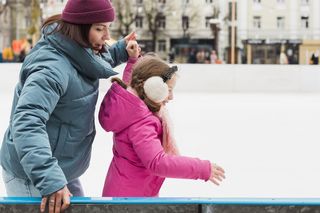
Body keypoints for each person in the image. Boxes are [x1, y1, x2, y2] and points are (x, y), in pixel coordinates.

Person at [0, 0, 136, 212]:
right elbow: (27, 122)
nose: (107, 36)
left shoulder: (81, 48)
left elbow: (92, 61)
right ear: (79, 28)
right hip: (32, 173)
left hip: (61, 166)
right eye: (100, 28)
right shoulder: (51, 69)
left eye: (108, 28)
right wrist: (50, 179)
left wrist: (121, 51)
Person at [98, 54, 226, 197]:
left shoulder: (132, 108)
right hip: (129, 202)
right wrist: (201, 169)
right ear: (153, 87)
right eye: (169, 90)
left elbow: (132, 83)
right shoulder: (141, 123)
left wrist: (133, 61)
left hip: (128, 193)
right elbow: (157, 162)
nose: (171, 97)